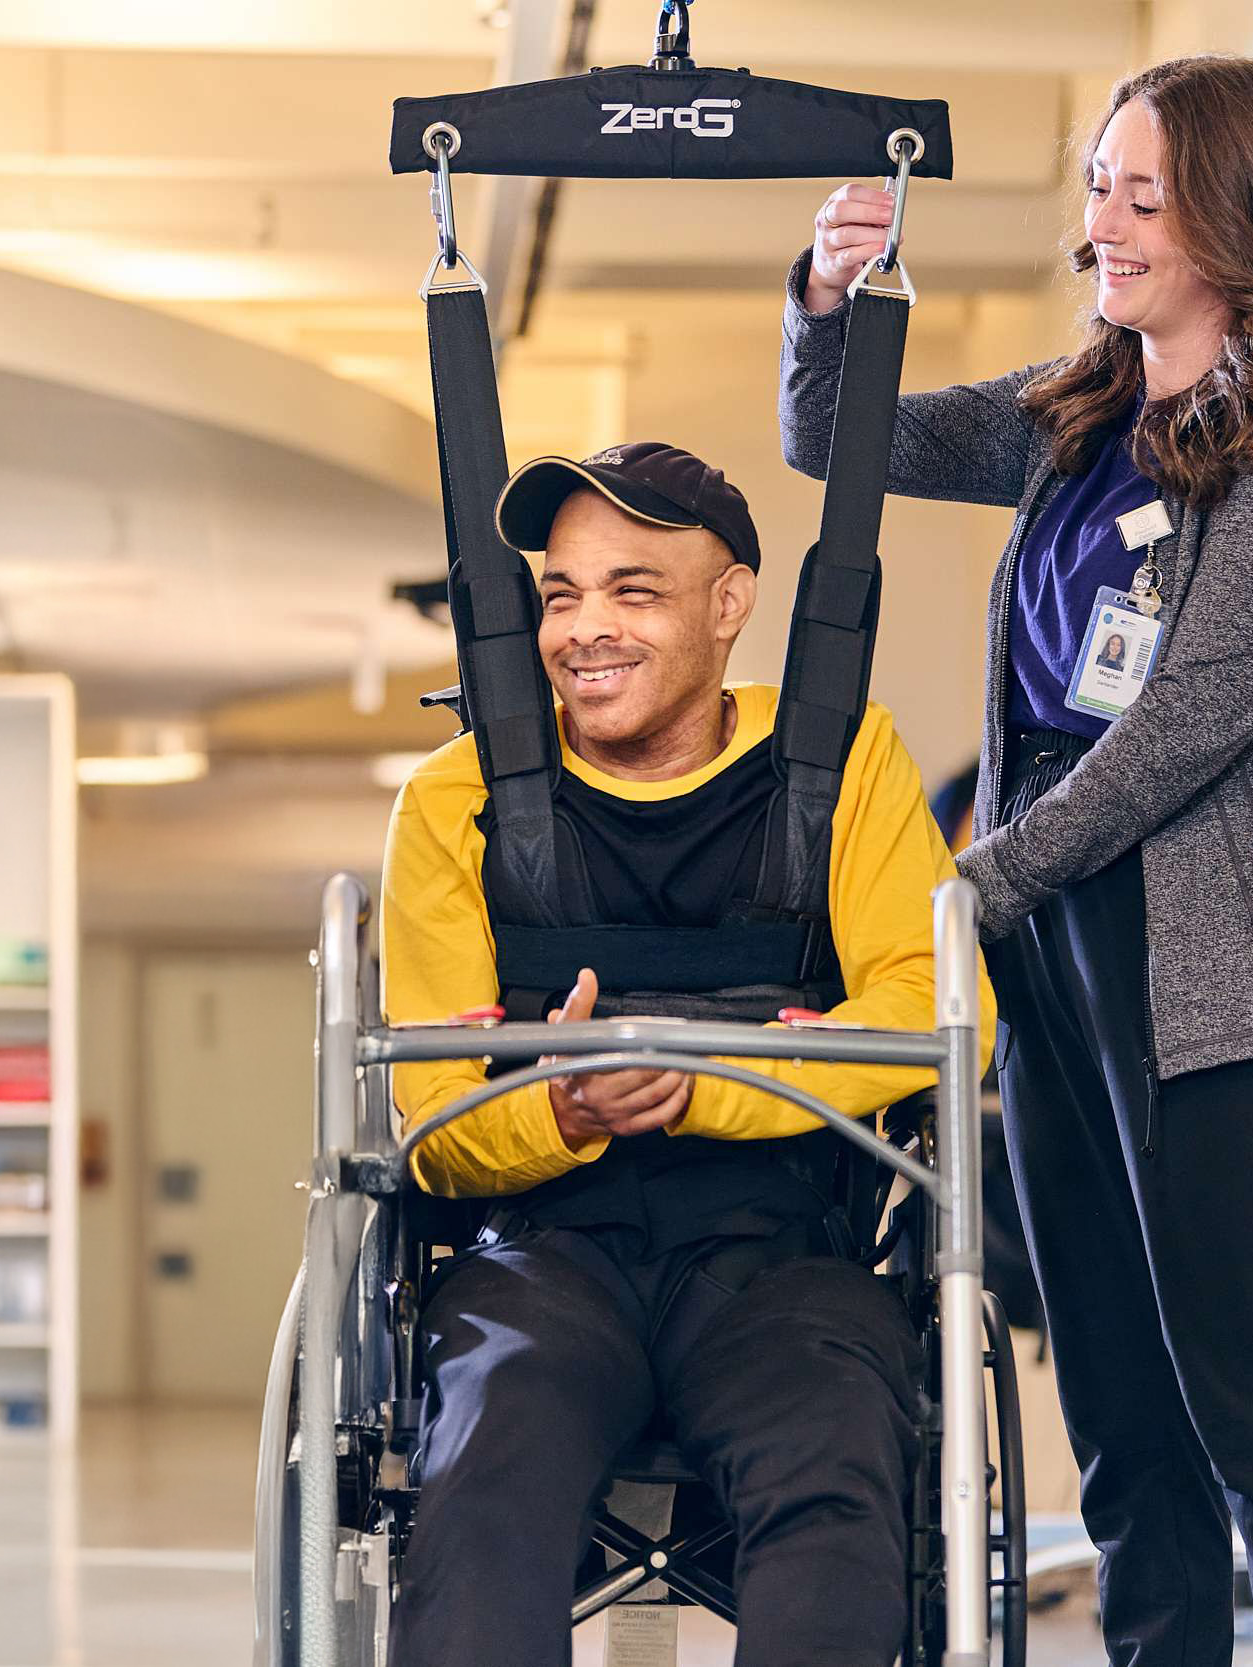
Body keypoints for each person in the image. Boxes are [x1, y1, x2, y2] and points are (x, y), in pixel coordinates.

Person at [782, 54, 1253, 1667]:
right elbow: (831, 439)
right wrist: (832, 299)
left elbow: (1189, 719)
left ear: (1241, 217)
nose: (1101, 226)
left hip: (1213, 968)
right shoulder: (1074, 416)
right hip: (1054, 933)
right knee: (1120, 1407)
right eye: (1097, 189)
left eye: (1143, 195)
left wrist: (982, 870)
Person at [379, 440, 991, 1667]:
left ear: (728, 603)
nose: (582, 628)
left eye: (632, 589)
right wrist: (563, 1110)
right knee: (485, 1462)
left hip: (778, 1260)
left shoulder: (838, 763)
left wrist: (706, 1083)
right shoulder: (456, 797)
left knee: (835, 1467)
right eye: (561, 594)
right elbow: (429, 1116)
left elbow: (934, 999)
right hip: (539, 1258)